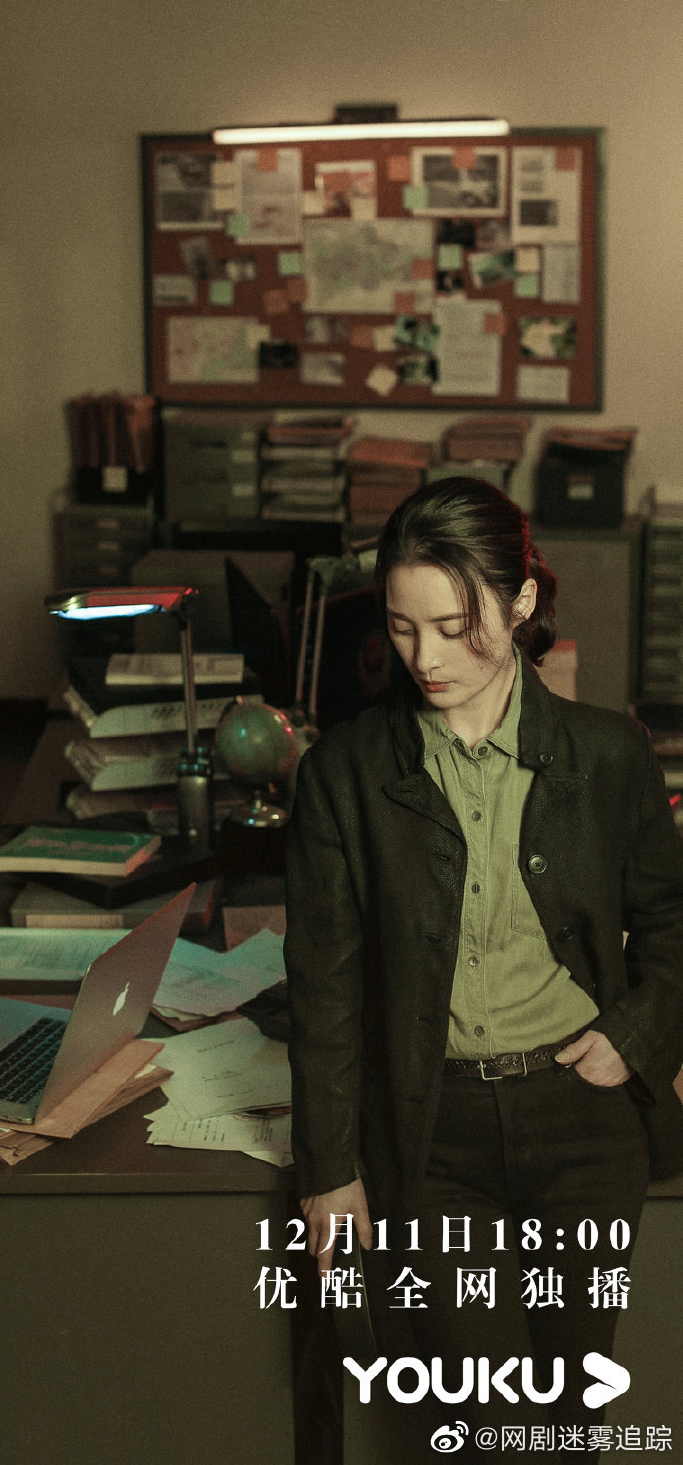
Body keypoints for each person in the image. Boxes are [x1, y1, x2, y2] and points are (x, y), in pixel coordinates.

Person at [284, 477, 683, 1457]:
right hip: (432, 1133)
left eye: (455, 627)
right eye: (402, 627)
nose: (426, 658)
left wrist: (631, 1037)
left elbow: (674, 924)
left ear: (520, 602)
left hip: (582, 1123)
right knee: (490, 1429)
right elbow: (324, 986)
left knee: (573, 1420)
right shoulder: (343, 772)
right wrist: (329, 1168)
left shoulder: (609, 752)